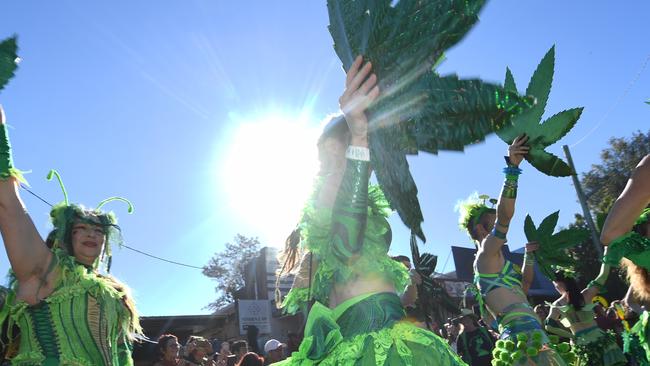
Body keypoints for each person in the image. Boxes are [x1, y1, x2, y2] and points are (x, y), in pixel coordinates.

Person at [274, 56, 465, 365]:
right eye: (367, 144)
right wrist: (360, 136)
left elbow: (379, 286)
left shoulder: (356, 193)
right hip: (367, 346)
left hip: (394, 334)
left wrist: (407, 290)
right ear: (338, 146)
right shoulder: (332, 185)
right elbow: (347, 246)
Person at [0, 105, 142, 365]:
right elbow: (7, 203)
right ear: (66, 236)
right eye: (81, 229)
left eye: (99, 231)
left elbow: (122, 354)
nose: (92, 234)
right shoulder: (44, 271)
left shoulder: (115, 293)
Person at [457, 135, 568, 365]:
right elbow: (505, 216)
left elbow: (525, 286)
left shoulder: (499, 262)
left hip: (535, 337)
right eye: (492, 220)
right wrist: (512, 170)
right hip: (520, 341)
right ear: (480, 228)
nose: (498, 222)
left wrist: (528, 255)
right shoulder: (485, 256)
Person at [545, 264, 626, 366]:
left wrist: (571, 336)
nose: (555, 287)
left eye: (555, 284)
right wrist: (607, 256)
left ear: (560, 284)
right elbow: (602, 276)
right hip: (599, 338)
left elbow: (549, 326)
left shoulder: (557, 304)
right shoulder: (586, 295)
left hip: (581, 342)